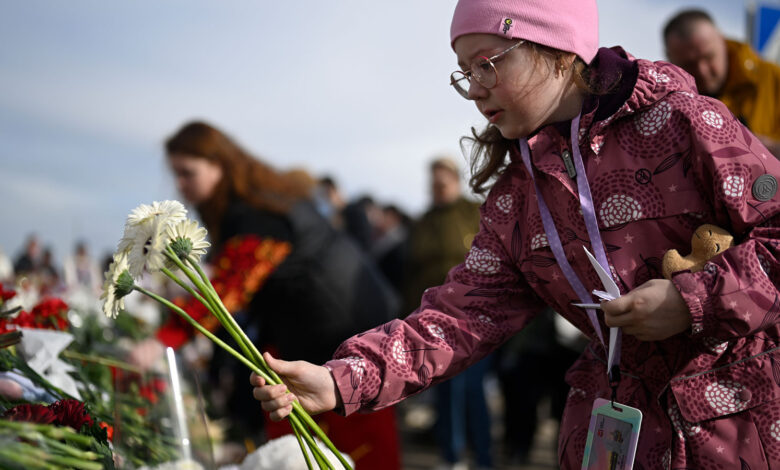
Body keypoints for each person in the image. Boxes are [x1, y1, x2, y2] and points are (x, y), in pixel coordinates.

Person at [250, 0, 780, 468]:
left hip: (738, 429)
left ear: (558, 48)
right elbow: (460, 316)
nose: (474, 91)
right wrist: (344, 378)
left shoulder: (683, 122)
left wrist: (692, 300)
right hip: (616, 436)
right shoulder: (516, 197)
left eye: (487, 64)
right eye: (464, 72)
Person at [144, 121, 401, 469]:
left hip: (341, 335)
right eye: (176, 174)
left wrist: (165, 338)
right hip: (325, 329)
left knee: (358, 444)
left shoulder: (256, 211)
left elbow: (228, 289)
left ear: (219, 165)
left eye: (188, 172)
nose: (180, 185)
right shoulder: (260, 201)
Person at [403, 157, 491, 469]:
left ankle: (483, 458)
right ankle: (451, 457)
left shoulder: (474, 212)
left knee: (471, 390)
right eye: (434, 184)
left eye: (443, 182)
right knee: (446, 390)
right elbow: (411, 272)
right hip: (433, 321)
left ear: (455, 181)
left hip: (476, 317)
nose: (438, 188)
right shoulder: (423, 222)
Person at [664, 9, 780, 156]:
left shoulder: (774, 80)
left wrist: (755, 147)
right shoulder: (665, 106)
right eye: (689, 64)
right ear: (670, 59)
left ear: (722, 40)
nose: (703, 71)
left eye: (708, 57)